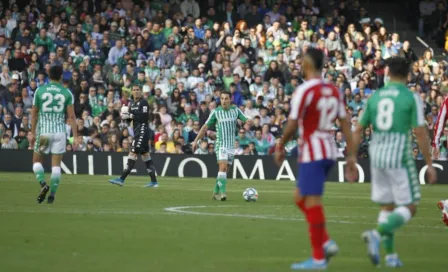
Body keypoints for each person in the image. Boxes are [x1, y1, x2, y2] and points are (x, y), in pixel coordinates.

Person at [274, 48, 357, 270]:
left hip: (312, 150)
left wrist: (280, 145)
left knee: (312, 201)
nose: (300, 65)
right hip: (329, 149)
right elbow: (345, 123)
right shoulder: (333, 90)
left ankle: (319, 258)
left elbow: (292, 123)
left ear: (308, 64)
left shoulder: (305, 90)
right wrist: (351, 154)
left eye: (302, 61)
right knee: (299, 197)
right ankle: (326, 241)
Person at [352, 57, 437, 268]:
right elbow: (419, 131)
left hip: (377, 155)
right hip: (398, 155)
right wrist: (429, 162)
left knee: (387, 206)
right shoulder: (411, 97)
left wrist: (351, 158)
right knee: (410, 205)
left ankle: (390, 256)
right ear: (408, 74)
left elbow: (359, 129)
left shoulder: (375, 96)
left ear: (388, 72)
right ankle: (376, 234)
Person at [192, 91, 251, 201]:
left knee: (224, 171)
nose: (224, 101)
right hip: (221, 144)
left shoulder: (235, 110)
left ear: (230, 99)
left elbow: (244, 119)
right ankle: (223, 193)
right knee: (222, 167)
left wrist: (248, 121)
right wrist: (196, 141)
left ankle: (215, 192)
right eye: (222, 98)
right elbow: (205, 127)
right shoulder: (215, 112)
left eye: (226, 98)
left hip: (231, 146)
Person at [31, 65, 78, 204]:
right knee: (56, 165)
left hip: (44, 132)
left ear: (48, 75)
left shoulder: (40, 90)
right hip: (60, 133)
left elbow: (33, 114)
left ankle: (43, 184)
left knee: (36, 162)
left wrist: (32, 133)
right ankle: (52, 194)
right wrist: (75, 136)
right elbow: (72, 116)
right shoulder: (67, 93)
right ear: (61, 76)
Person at [109, 85, 159, 187]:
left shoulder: (144, 102)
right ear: (131, 92)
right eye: (134, 90)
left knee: (133, 153)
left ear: (140, 92)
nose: (136, 92)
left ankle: (121, 179)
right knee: (145, 156)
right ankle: (154, 182)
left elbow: (144, 116)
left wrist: (130, 115)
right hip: (136, 132)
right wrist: (124, 116)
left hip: (142, 131)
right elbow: (130, 120)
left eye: (137, 90)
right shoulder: (131, 104)